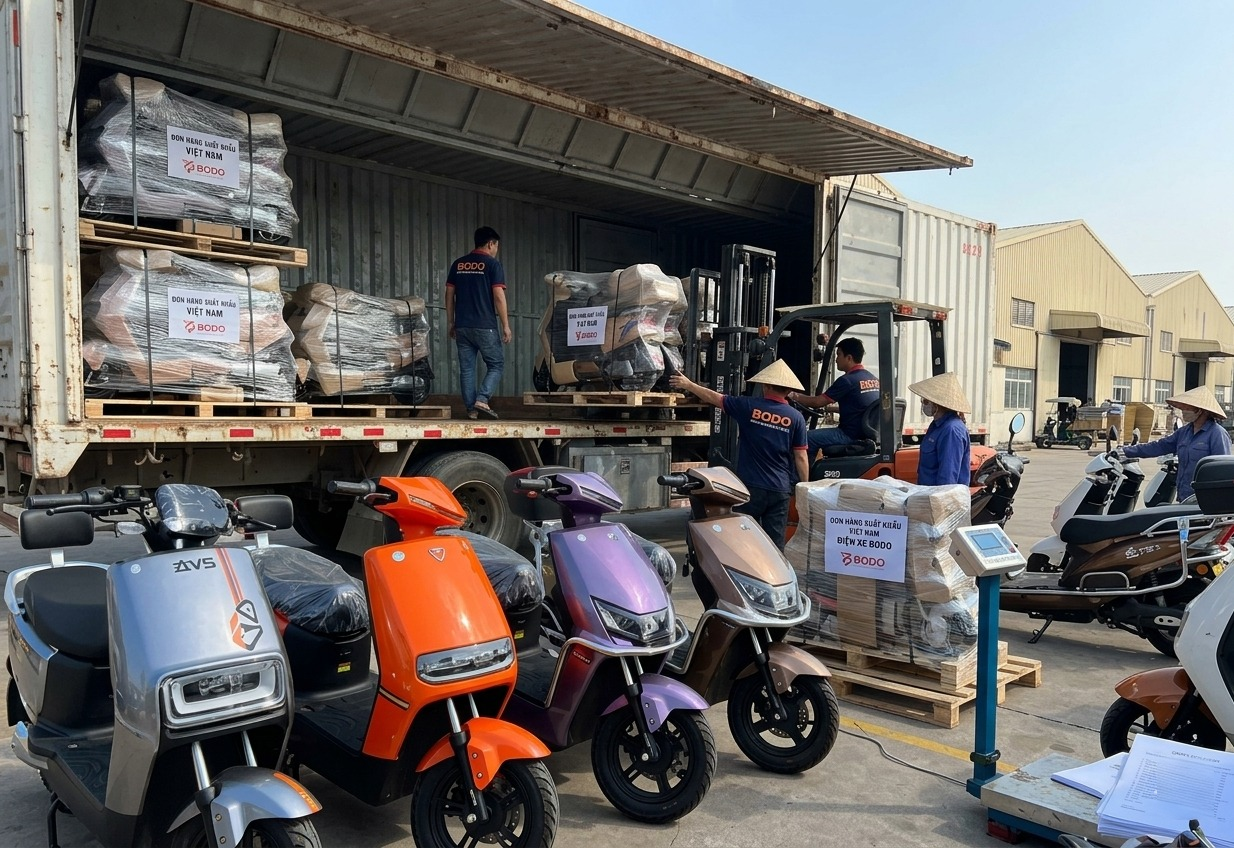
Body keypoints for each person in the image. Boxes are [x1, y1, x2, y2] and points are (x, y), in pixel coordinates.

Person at [670, 360, 808, 549]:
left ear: (766, 385)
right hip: (780, 490)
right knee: (775, 545)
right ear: (787, 389)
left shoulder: (749, 407)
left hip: (751, 487)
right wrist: (804, 487)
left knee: (742, 540)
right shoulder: (796, 417)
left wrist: (688, 384)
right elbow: (801, 457)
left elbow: (715, 398)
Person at [1120, 385, 1232, 501]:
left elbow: (1222, 469)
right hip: (1184, 495)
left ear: (1200, 410)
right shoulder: (1184, 432)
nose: (1183, 411)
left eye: (1187, 408)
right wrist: (1126, 451)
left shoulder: (1217, 434)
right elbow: (1159, 446)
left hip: (1204, 498)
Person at [445, 226, 511, 419]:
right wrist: (506, 325)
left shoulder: (458, 264)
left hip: (462, 326)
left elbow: (449, 294)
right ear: (491, 243)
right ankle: (482, 399)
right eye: (496, 245)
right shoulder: (492, 265)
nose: (496, 249)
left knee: (467, 368)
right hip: (485, 325)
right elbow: (498, 296)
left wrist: (451, 321)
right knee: (496, 364)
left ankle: (471, 410)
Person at [788, 337, 880, 453]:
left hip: (849, 435)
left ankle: (804, 471)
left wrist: (794, 395)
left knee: (804, 438)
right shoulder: (874, 380)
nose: (836, 359)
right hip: (866, 434)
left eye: (838, 355)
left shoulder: (847, 380)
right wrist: (830, 409)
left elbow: (817, 402)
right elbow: (863, 410)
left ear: (849, 358)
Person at [909, 372, 972, 486]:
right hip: (928, 495)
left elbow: (948, 478)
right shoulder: (936, 426)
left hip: (940, 499)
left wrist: (940, 502)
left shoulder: (952, 430)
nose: (924, 405)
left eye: (926, 401)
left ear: (937, 404)